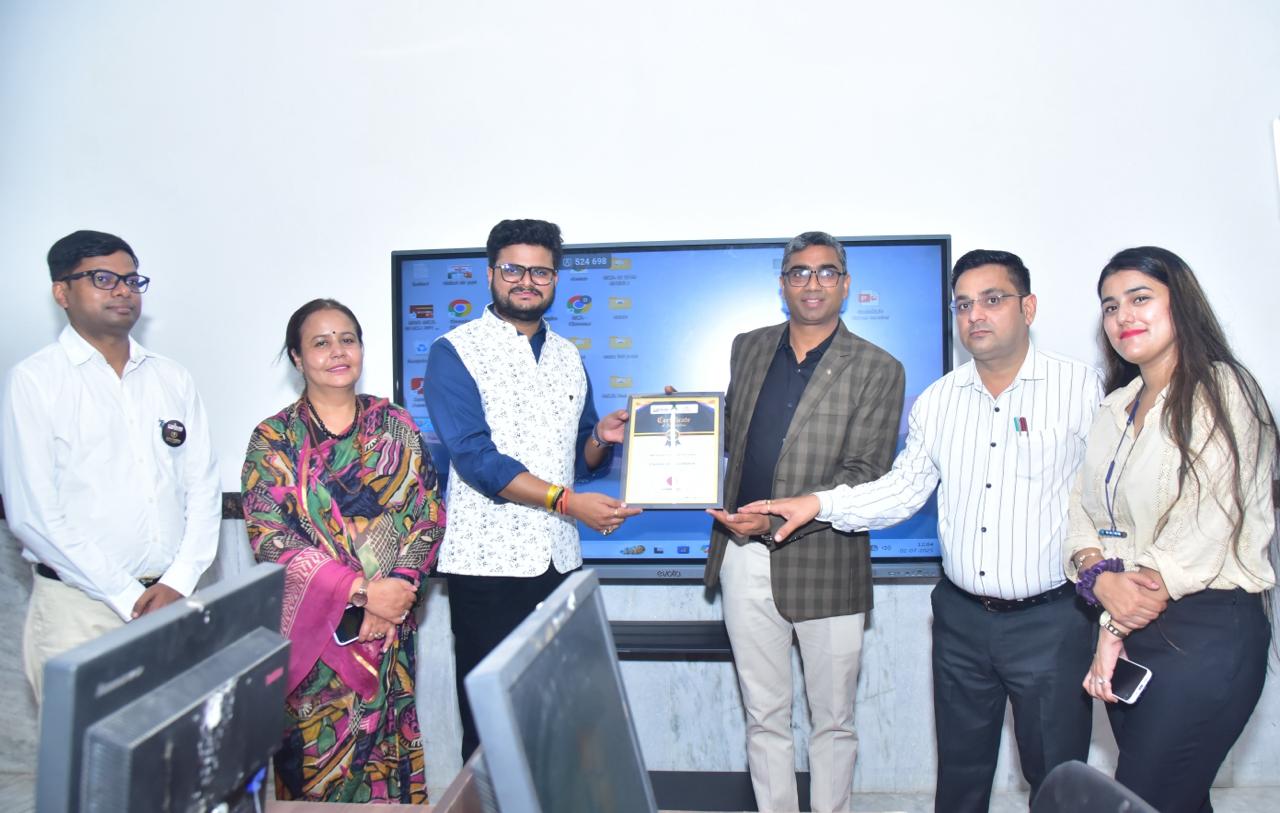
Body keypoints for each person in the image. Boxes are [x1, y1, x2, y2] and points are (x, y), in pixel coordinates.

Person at [741, 249, 1104, 811]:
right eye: (963, 304)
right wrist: (817, 503)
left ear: (1028, 307)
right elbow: (901, 491)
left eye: (992, 300)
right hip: (961, 621)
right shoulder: (938, 402)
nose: (975, 315)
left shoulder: (1081, 389)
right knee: (960, 775)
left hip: (1052, 621)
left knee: (1056, 777)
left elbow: (1109, 497)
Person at [1065, 247, 1277, 812]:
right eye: (1110, 306)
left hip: (1206, 631)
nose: (1122, 317)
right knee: (1175, 798)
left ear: (1180, 303)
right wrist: (1096, 575)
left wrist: (1112, 626)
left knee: (1141, 797)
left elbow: (1201, 526)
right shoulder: (1116, 406)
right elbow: (1081, 511)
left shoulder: (1223, 390)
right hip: (1132, 625)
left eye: (1140, 299)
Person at [423, 218, 642, 761]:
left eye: (540, 272)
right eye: (513, 269)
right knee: (493, 728)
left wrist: (601, 438)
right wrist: (568, 502)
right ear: (490, 274)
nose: (527, 281)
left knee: (558, 718)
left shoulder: (568, 355)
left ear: (555, 279)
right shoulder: (455, 351)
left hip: (559, 560)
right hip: (488, 568)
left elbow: (580, 464)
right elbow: (477, 461)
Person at [701, 231, 904, 813]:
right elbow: (736, 437)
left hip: (828, 562)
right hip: (743, 558)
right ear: (783, 283)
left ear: (845, 284)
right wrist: (679, 421)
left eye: (826, 272)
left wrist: (771, 521)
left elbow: (866, 473)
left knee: (833, 721)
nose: (812, 283)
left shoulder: (878, 367)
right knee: (763, 715)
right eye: (799, 272)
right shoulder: (748, 347)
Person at [1, 230, 221, 704]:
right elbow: (32, 516)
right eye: (102, 279)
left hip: (171, 604)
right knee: (85, 751)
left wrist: (178, 581)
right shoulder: (36, 381)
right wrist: (125, 595)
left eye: (131, 280)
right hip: (80, 611)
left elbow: (203, 488)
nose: (123, 290)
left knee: (172, 747)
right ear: (62, 292)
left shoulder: (171, 378)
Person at [241, 298, 445, 803]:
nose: (337, 351)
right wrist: (359, 592)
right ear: (297, 357)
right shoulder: (274, 438)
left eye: (347, 339)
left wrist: (395, 592)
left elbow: (427, 513)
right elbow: (270, 536)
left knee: (388, 767)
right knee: (317, 776)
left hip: (391, 630)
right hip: (316, 640)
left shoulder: (395, 424)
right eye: (321, 342)